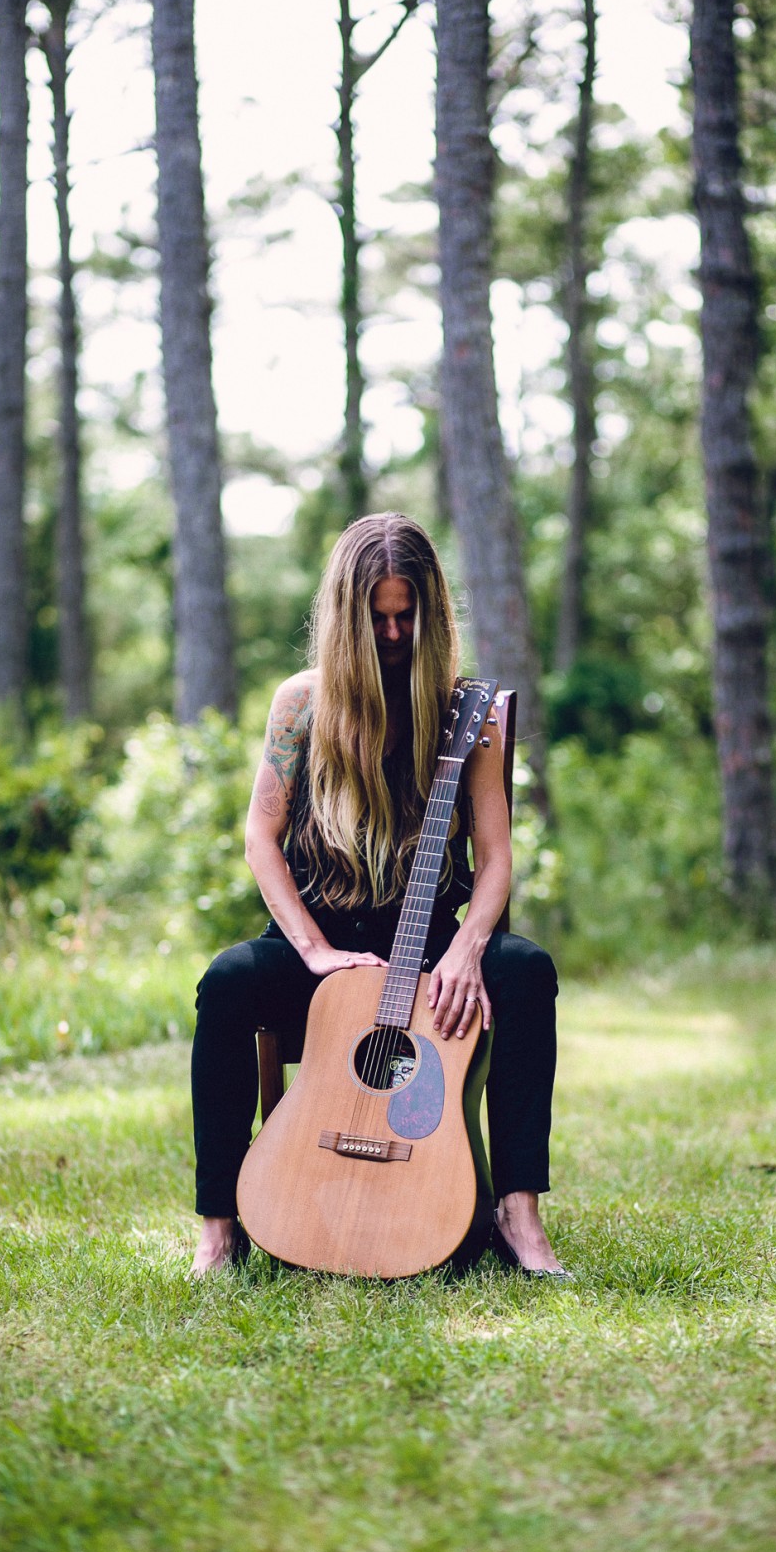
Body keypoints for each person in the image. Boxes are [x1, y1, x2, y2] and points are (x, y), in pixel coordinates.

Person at [190, 512, 566, 1277]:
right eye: (377, 618)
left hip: (428, 947)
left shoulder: (472, 712)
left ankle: (517, 1212)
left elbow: (495, 859)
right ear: (344, 616)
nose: (393, 633)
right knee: (227, 982)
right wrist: (313, 949)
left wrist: (465, 952)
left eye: (407, 616)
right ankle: (219, 1226)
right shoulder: (300, 703)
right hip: (322, 947)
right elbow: (261, 836)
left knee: (525, 971)